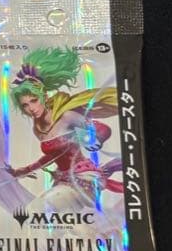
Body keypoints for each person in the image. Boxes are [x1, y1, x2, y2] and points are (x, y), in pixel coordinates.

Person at [7, 46, 122, 212]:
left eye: (34, 100)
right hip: (62, 181)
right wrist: (23, 171)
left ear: (44, 97)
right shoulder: (37, 129)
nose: (31, 108)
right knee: (51, 220)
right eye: (25, 105)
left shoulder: (67, 117)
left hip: (83, 178)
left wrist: (93, 138)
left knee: (38, 209)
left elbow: (102, 128)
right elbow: (52, 156)